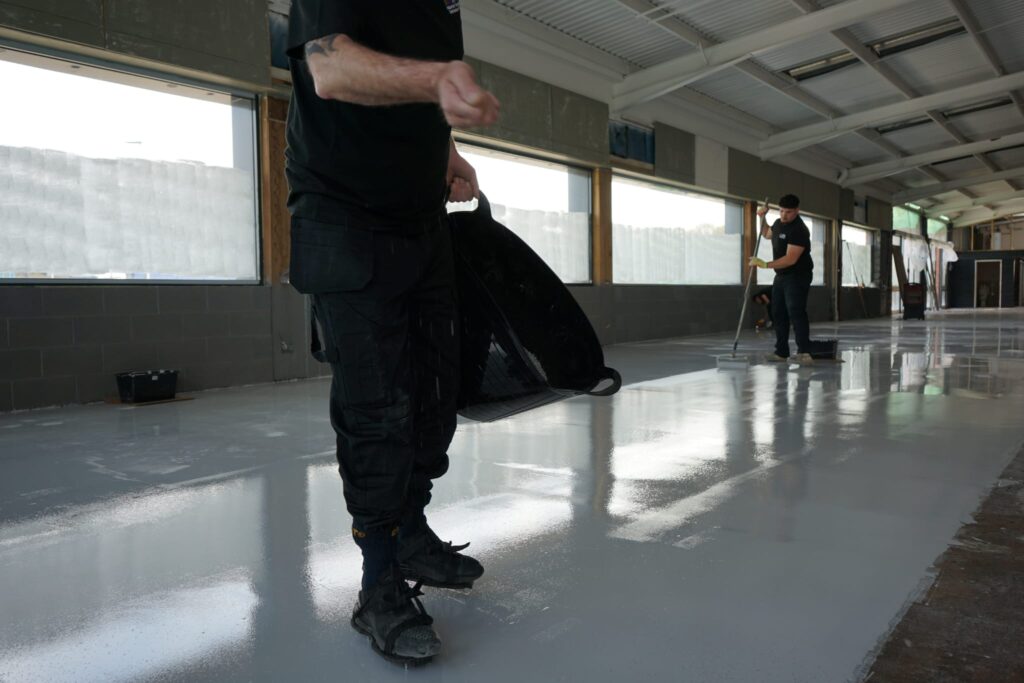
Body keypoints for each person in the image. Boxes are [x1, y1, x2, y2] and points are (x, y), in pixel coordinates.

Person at [284, 1, 500, 665]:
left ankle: (411, 530)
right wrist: (435, 81)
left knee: (438, 391)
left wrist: (448, 149)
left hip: (420, 217)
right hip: (346, 216)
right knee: (379, 411)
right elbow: (330, 66)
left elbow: (409, 86)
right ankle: (378, 581)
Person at [749, 194, 814, 363]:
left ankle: (804, 353)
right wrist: (762, 217)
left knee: (795, 311)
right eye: (781, 211)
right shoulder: (778, 224)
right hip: (781, 275)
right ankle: (781, 352)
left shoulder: (799, 230)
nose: (784, 215)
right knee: (778, 312)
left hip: (798, 275)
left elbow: (790, 259)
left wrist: (765, 265)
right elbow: (766, 233)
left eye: (789, 212)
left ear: (797, 211)